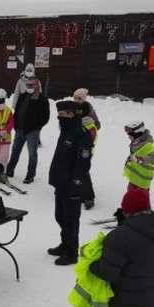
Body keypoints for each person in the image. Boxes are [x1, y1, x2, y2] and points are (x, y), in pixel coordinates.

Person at [48, 100, 93, 265]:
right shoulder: (66, 130)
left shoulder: (81, 134)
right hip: (61, 182)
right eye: (59, 114)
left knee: (71, 220)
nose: (59, 117)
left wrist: (75, 182)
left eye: (63, 114)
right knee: (60, 216)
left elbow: (83, 163)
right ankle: (65, 244)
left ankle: (71, 252)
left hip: (72, 185)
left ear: (72, 114)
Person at [6, 76, 49, 184]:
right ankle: (9, 171)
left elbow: (45, 117)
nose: (29, 86)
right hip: (19, 129)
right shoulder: (23, 95)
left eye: (31, 85)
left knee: (32, 154)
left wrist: (37, 126)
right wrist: (15, 124)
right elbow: (17, 111)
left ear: (36, 85)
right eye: (28, 85)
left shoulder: (42, 99)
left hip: (32, 131)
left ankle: (30, 175)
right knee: (15, 151)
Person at [123, 121, 154, 192]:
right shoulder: (136, 143)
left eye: (130, 135)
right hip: (134, 179)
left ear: (137, 135)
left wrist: (138, 159)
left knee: (139, 197)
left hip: (142, 183)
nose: (128, 137)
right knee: (131, 195)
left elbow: (151, 157)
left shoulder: (147, 145)